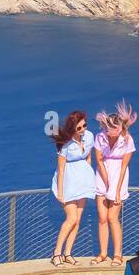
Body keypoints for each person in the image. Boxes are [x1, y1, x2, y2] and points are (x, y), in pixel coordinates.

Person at [92, 100, 137, 266]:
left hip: (119, 177)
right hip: (103, 176)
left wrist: (116, 190)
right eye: (109, 128)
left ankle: (117, 254)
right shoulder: (100, 137)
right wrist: (106, 182)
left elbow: (124, 166)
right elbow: (98, 160)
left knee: (113, 217)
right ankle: (103, 253)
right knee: (102, 218)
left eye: (115, 129)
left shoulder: (127, 140)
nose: (111, 132)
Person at [50, 110, 94, 266]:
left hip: (83, 182)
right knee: (72, 218)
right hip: (68, 183)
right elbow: (61, 169)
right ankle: (56, 253)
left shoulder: (89, 136)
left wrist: (90, 176)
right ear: (72, 128)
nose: (82, 130)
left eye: (84, 126)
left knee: (78, 220)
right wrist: (60, 193)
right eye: (79, 128)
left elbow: (88, 155)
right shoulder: (65, 144)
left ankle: (68, 253)